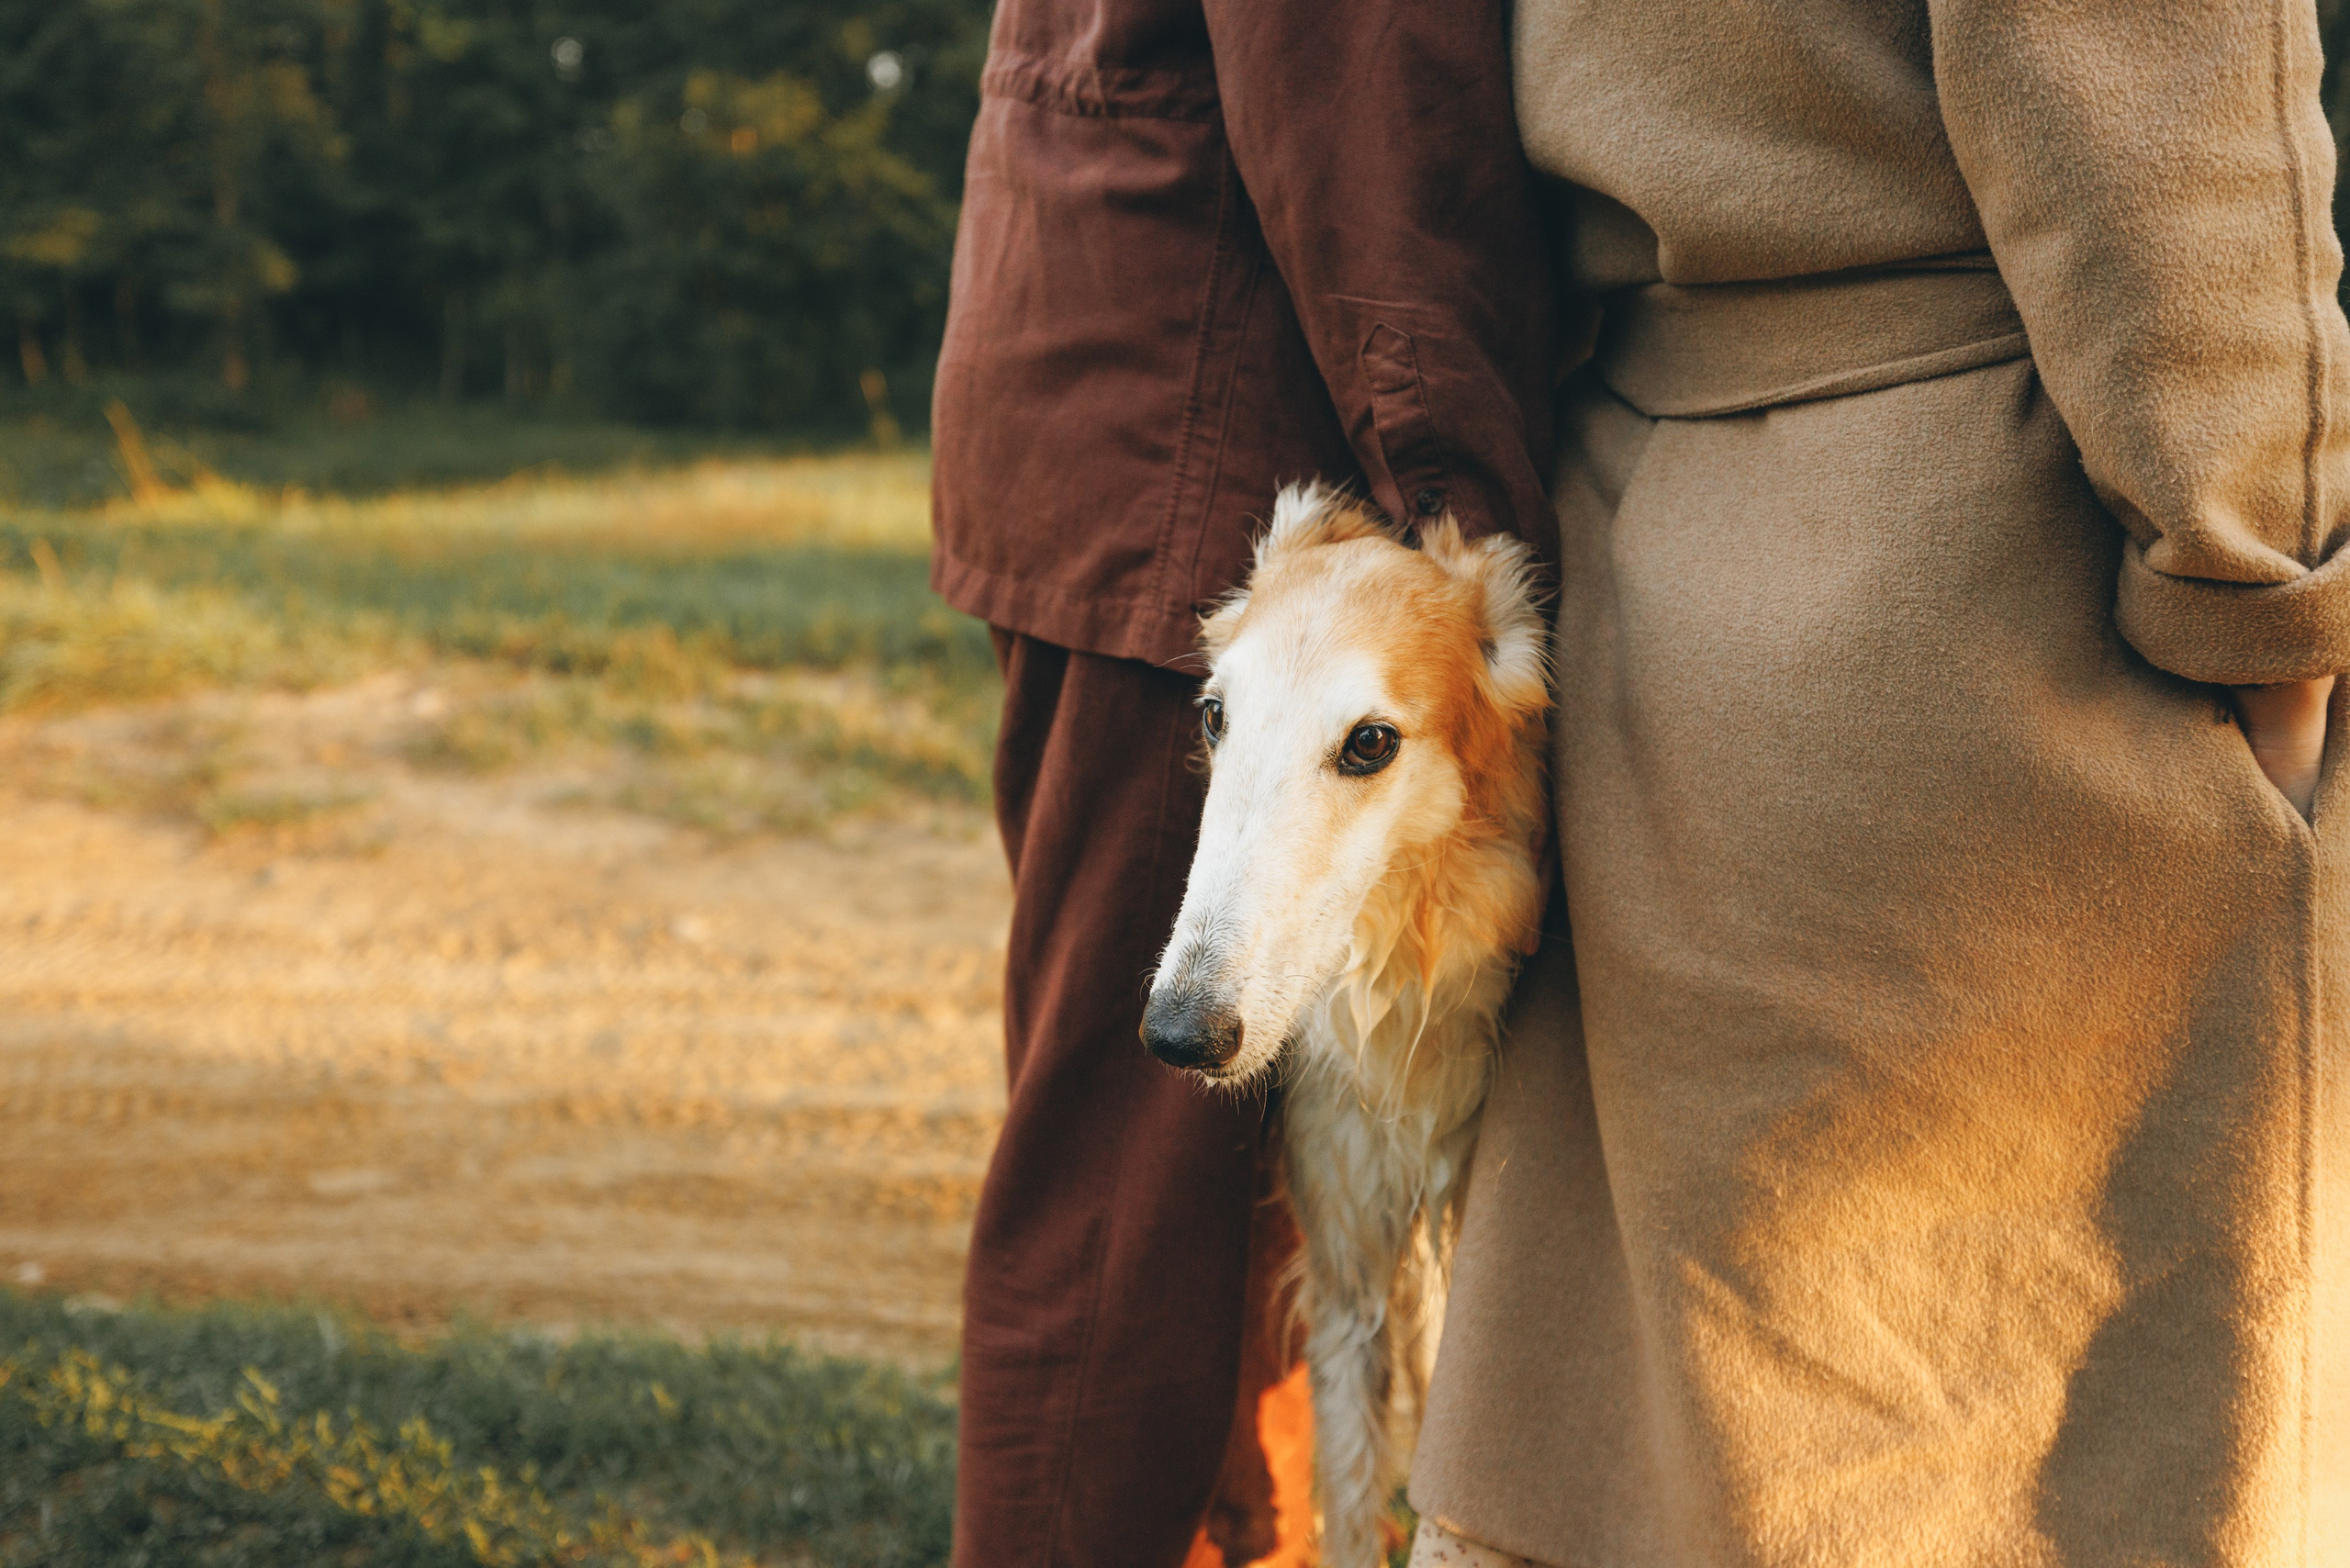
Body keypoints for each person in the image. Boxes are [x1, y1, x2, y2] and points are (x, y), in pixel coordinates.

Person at [1407, 5, 2350, 1567]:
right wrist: (2273, 612)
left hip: (1667, 555)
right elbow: (2172, 150)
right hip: (1997, 617)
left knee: (1669, 1459)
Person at [924, 2, 1558, 1562]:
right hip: (1213, 478)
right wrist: (1463, 524)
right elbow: (1368, 129)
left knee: (1203, 1179)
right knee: (1124, 1186)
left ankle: (1242, 1535)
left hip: (1121, 417)